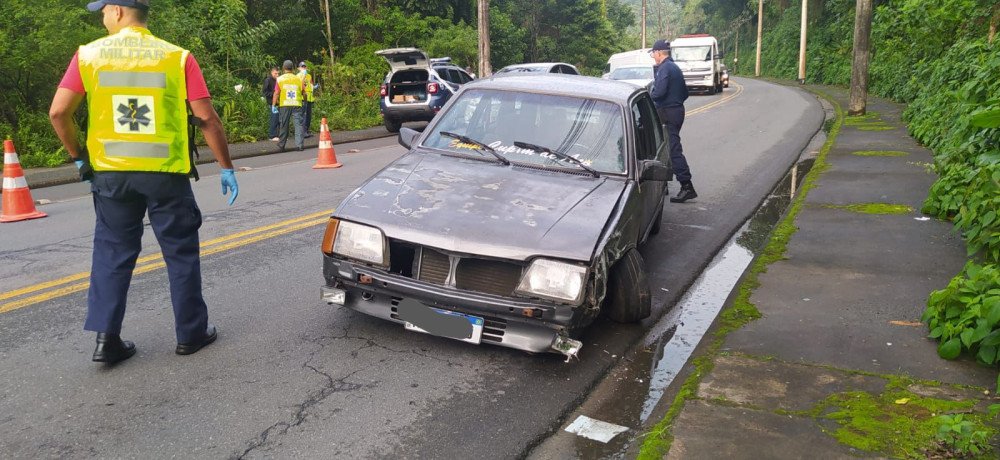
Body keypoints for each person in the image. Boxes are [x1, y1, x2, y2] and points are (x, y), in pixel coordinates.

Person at [48, 0, 238, 365]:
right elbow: (207, 118)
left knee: (111, 253)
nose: (102, 18)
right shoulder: (177, 57)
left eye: (103, 11)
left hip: (111, 175)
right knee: (180, 253)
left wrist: (79, 157)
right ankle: (190, 334)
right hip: (166, 174)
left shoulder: (88, 56)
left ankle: (107, 340)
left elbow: (58, 112)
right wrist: (225, 166)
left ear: (118, 11)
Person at [649, 39, 697, 203]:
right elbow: (685, 93)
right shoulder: (674, 67)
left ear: (658, 52)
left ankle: (686, 185)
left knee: (673, 149)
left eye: (653, 53)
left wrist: (649, 96)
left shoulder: (665, 68)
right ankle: (665, 183)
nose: (653, 56)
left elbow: (659, 92)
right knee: (667, 147)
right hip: (677, 111)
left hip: (668, 113)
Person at [273, 60, 305, 151]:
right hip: (297, 104)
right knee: (298, 125)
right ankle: (299, 145)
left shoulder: (280, 79)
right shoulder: (298, 79)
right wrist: (305, 102)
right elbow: (304, 93)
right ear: (293, 68)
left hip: (284, 105)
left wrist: (273, 105)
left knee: (284, 125)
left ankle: (281, 146)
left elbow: (276, 93)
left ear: (283, 68)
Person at [297, 62, 314, 138]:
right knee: (303, 115)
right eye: (302, 67)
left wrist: (313, 87)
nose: (304, 68)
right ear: (299, 68)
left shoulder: (309, 75)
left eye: (305, 67)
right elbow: (300, 85)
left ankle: (307, 130)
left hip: (310, 98)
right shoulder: (298, 76)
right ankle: (302, 132)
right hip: (302, 98)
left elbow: (311, 84)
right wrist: (303, 75)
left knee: (308, 116)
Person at [262, 67, 280, 141]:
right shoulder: (268, 80)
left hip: (279, 102)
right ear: (272, 73)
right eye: (275, 73)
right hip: (272, 103)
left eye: (278, 73)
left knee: (279, 120)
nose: (277, 75)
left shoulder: (278, 80)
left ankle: (278, 135)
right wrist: (274, 95)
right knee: (274, 119)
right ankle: (272, 135)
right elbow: (265, 92)